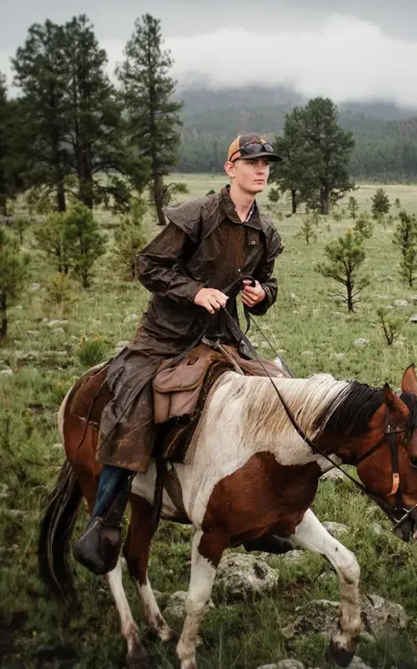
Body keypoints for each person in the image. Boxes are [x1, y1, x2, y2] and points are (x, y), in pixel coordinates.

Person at [73, 134, 286, 575]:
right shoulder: (198, 214)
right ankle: (105, 522)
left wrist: (260, 294)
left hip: (222, 337)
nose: (261, 168)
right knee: (132, 405)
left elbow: (269, 285)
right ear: (231, 169)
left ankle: (261, 518)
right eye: (252, 162)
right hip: (164, 336)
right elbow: (148, 265)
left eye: (266, 162)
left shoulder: (265, 232)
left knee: (274, 394)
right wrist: (195, 291)